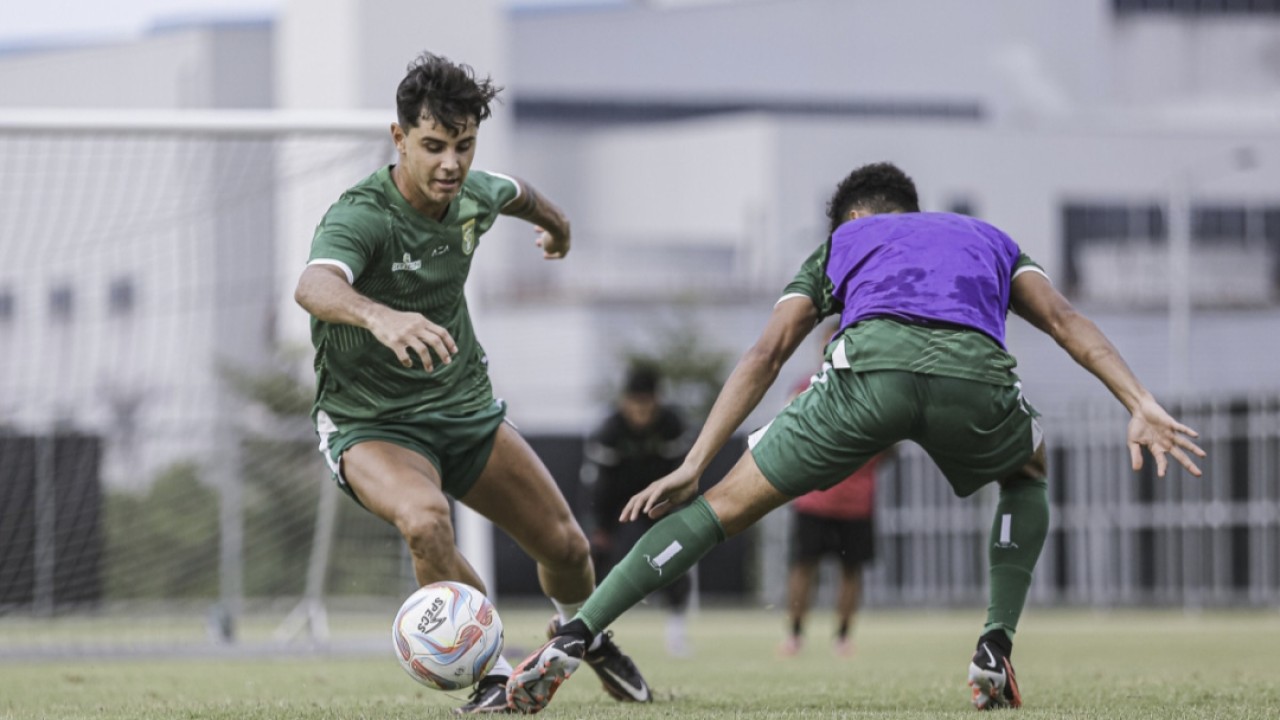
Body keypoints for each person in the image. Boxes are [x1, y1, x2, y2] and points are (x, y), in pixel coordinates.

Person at [505, 162, 1206, 713]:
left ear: (854, 218)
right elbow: (1063, 318)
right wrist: (1139, 400)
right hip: (974, 377)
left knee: (716, 509)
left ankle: (576, 634)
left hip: (866, 376)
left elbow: (768, 353)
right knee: (1028, 475)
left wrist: (695, 461)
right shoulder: (987, 237)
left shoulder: (844, 240)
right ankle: (994, 643)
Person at [293, 51, 651, 714]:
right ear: (399, 139)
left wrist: (560, 230)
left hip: (462, 409)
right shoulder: (362, 215)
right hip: (372, 425)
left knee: (568, 549)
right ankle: (491, 675)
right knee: (426, 522)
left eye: (463, 145)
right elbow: (313, 285)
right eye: (432, 146)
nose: (450, 163)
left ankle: (582, 633)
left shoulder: (472, 193)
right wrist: (380, 317)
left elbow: (517, 192)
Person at [581, 364, 693, 656]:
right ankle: (579, 625)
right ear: (624, 401)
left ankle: (676, 631)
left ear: (657, 400)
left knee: (677, 555)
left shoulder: (671, 425)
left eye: (647, 402)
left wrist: (678, 512)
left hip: (659, 499)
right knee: (595, 557)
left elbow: (682, 473)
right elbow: (598, 486)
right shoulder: (609, 431)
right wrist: (599, 527)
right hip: (618, 501)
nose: (641, 411)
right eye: (635, 403)